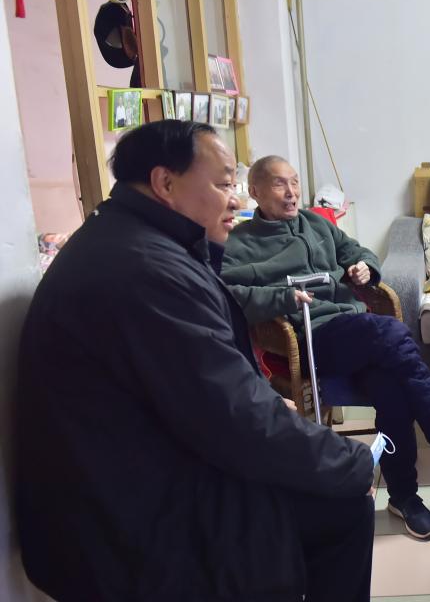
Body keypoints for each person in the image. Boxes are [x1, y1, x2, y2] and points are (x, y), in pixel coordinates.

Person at [15, 120, 375, 602]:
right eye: (224, 184)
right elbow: (233, 417)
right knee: (343, 504)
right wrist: (352, 463)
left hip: (143, 472)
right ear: (165, 183)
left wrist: (270, 403)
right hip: (123, 518)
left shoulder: (135, 240)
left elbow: (205, 384)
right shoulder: (145, 270)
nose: (236, 201)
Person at [221, 156, 430, 540]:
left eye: (294, 182)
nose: (291, 192)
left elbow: (361, 253)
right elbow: (230, 295)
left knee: (392, 387)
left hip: (353, 330)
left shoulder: (316, 224)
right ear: (255, 191)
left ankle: (404, 497)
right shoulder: (240, 242)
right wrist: (281, 298)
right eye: (279, 184)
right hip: (309, 336)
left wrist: (364, 267)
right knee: (390, 333)